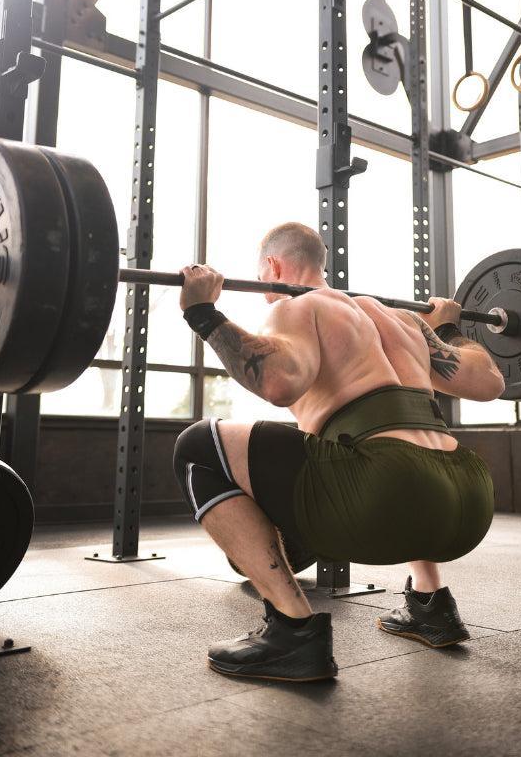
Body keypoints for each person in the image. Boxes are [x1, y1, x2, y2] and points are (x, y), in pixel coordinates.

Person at [174, 222, 503, 682]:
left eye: (263, 274)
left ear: (273, 266)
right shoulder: (404, 322)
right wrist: (447, 328)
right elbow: (489, 381)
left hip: (386, 492)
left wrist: (203, 313)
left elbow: (279, 383)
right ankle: (431, 604)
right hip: (471, 499)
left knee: (197, 446)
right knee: (390, 445)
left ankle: (292, 630)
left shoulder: (297, 305)